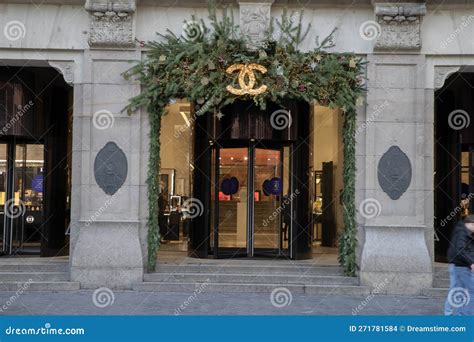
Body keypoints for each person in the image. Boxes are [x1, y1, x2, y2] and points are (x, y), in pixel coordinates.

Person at [446, 215, 474, 315]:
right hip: (458, 264)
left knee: (459, 290)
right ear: (469, 224)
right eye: (473, 224)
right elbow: (460, 249)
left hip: (459, 264)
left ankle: (458, 314)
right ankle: (451, 313)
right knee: (456, 290)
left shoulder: (467, 233)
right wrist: (470, 262)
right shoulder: (462, 233)